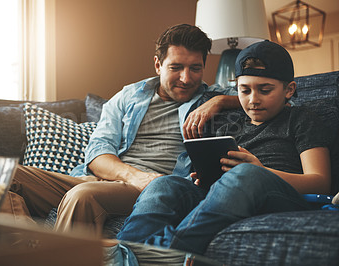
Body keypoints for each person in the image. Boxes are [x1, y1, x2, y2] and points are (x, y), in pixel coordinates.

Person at [1, 24, 240, 236]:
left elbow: (270, 97)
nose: (186, 78)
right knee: (2, 175)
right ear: (158, 65)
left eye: (195, 68)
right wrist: (135, 176)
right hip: (107, 179)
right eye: (176, 67)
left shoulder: (210, 98)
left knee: (83, 196)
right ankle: (26, 249)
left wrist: (219, 102)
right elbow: (97, 153)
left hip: (154, 190)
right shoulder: (130, 95)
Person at [116, 40, 333, 255]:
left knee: (246, 174)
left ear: (289, 90)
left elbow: (321, 182)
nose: (253, 100)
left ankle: (169, 253)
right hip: (228, 196)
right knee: (164, 185)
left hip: (279, 195)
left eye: (265, 90)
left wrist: (260, 170)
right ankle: (127, 252)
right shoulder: (231, 125)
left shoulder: (300, 119)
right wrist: (206, 177)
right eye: (244, 90)